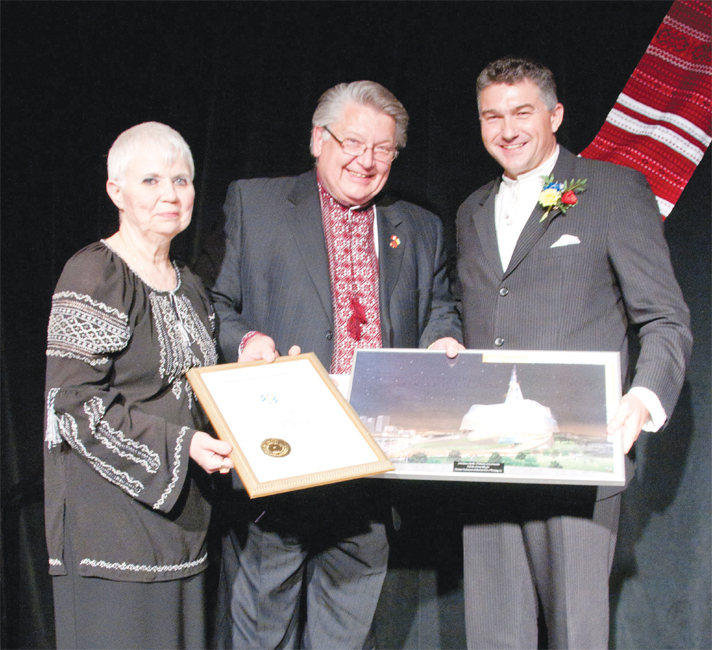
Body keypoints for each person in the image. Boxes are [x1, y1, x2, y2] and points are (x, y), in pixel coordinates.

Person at [201, 80, 463, 649]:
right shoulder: (256, 203)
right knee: (260, 638)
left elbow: (440, 309)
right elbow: (214, 306)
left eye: (384, 149)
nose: (366, 161)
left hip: (371, 477)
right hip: (280, 473)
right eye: (353, 142)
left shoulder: (420, 228)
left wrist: (445, 340)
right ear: (318, 139)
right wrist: (247, 344)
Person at [455, 56, 693, 649]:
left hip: (579, 456)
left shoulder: (611, 189)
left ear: (555, 115)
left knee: (575, 636)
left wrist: (642, 400)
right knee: (493, 638)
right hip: (484, 461)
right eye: (492, 116)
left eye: (522, 112)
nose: (506, 129)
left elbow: (665, 319)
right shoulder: (470, 212)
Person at [43, 122, 234, 649]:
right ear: (116, 192)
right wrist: (184, 444)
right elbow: (75, 406)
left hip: (181, 527)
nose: (170, 195)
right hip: (111, 531)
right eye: (150, 180)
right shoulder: (94, 274)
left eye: (182, 179)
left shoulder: (191, 285)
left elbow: (201, 393)